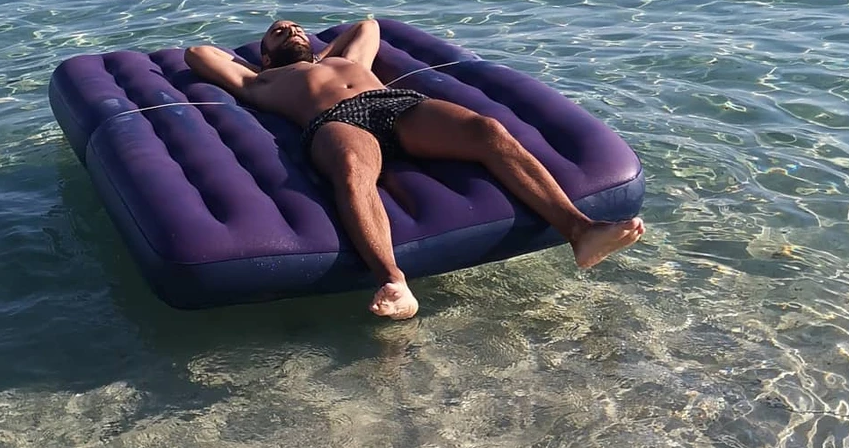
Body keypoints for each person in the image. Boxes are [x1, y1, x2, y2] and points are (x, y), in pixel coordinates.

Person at [185, 19, 644, 319]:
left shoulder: (346, 58)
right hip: (335, 121)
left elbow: (367, 25)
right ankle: (394, 280)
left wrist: (317, 51)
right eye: (280, 33)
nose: (292, 31)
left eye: (298, 29)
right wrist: (265, 60)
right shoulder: (259, 79)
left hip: (396, 105)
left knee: (488, 130)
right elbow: (198, 53)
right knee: (350, 169)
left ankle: (581, 231)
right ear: (264, 55)